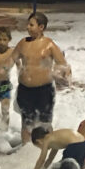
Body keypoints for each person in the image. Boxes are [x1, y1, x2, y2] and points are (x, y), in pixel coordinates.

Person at [11, 12, 71, 145]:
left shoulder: (49, 44)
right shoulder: (23, 43)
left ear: (41, 27)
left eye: (31, 25)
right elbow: (12, 58)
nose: (27, 27)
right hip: (25, 89)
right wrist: (18, 69)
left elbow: (63, 64)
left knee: (45, 124)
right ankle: (25, 152)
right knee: (26, 123)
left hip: (44, 90)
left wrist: (60, 76)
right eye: (28, 24)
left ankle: (47, 150)